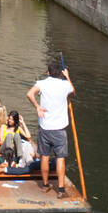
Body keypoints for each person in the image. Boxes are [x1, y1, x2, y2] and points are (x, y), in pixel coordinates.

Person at [27, 60, 76, 198]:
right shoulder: (65, 84)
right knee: (60, 158)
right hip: (59, 129)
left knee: (44, 156)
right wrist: (67, 77)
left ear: (48, 72)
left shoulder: (42, 84)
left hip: (45, 127)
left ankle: (45, 185)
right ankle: (61, 190)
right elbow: (73, 92)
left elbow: (30, 94)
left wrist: (37, 106)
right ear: (60, 72)